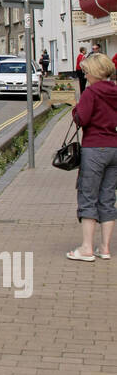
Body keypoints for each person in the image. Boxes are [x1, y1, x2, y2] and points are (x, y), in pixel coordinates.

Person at [66, 53, 117, 262]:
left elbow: (82, 118)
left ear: (95, 72)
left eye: (86, 72)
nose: (85, 76)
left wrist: (75, 109)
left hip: (95, 148)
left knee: (88, 196)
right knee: (108, 198)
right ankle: (104, 248)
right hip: (115, 148)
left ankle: (87, 248)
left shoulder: (91, 92)